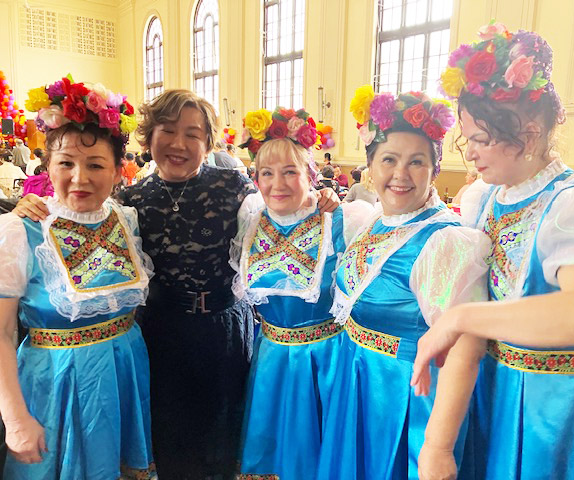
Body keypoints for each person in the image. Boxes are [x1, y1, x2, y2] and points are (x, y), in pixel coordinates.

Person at [14, 89, 339, 479]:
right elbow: (79, 214)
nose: (178, 143)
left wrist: (321, 196)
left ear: (208, 142)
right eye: (167, 130)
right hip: (159, 332)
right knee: (165, 436)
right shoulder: (129, 201)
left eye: (192, 134)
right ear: (149, 136)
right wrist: (28, 206)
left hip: (223, 328)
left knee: (222, 434)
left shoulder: (235, 186)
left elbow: (280, 207)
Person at [411, 24, 574, 479]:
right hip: (507, 389)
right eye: (467, 140)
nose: (469, 154)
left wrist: (460, 318)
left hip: (572, 403)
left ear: (529, 135)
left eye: (480, 140)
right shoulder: (484, 199)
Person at [316, 86, 490, 480]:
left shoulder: (446, 241)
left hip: (404, 396)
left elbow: (463, 350)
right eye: (389, 160)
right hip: (356, 379)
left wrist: (438, 446)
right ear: (370, 166)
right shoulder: (372, 220)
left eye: (416, 162)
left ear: (435, 170)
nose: (400, 174)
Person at [1, 76, 155, 479]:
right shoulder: (20, 231)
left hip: (122, 375)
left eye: (96, 165)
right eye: (66, 163)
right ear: (47, 166)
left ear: (118, 172)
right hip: (56, 385)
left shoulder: (127, 219)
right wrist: (15, 419)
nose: (80, 178)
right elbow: (1, 333)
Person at [233, 107, 372, 479]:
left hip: (325, 362)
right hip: (271, 359)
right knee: (273, 454)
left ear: (310, 174)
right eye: (266, 173)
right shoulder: (249, 222)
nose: (277, 184)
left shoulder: (343, 221)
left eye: (290, 172)